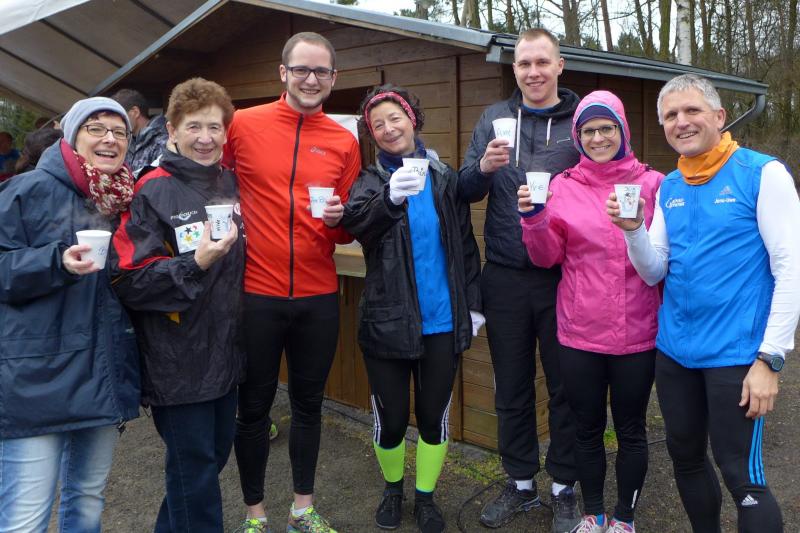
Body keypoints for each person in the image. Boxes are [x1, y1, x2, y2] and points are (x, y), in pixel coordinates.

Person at [607, 74, 800, 533]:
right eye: (671, 115)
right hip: (675, 354)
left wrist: (770, 359)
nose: (682, 121)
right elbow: (654, 270)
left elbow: (791, 268)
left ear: (719, 116)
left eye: (692, 110)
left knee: (742, 478)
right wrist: (633, 231)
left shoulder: (762, 174)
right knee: (687, 459)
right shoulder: (670, 186)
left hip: (737, 356)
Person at [225, 31, 361, 533]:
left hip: (317, 296)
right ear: (283, 73)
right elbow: (211, 183)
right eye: (301, 69)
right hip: (255, 294)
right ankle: (255, 514)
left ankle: (303, 508)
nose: (310, 79)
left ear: (333, 78)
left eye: (321, 71)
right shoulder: (243, 124)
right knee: (253, 408)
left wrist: (341, 220)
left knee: (309, 406)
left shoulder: (344, 141)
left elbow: (345, 228)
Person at [518, 91, 663, 533]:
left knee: (632, 429)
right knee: (586, 429)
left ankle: (624, 518)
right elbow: (546, 258)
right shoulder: (562, 186)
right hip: (580, 332)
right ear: (578, 137)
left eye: (606, 128)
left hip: (638, 332)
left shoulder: (654, 184)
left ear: (623, 130)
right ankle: (593, 512)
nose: (598, 138)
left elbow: (666, 261)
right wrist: (534, 219)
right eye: (588, 131)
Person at [342, 85, 483, 533]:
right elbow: (356, 225)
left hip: (442, 320)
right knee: (391, 419)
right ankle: (392, 490)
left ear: (413, 120)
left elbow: (465, 245)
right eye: (377, 125)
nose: (388, 129)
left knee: (433, 417)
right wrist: (390, 199)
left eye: (395, 118)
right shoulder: (370, 180)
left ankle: (425, 497)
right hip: (387, 321)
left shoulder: (442, 178)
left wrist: (473, 306)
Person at [458, 27, 580, 532]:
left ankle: (565, 485)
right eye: (525, 63)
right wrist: (484, 169)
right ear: (514, 69)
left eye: (542, 62)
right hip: (505, 275)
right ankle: (521, 482)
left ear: (559, 65)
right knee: (511, 385)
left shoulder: (580, 120)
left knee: (567, 385)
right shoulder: (494, 117)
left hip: (565, 277)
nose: (533, 72)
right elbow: (464, 188)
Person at [110, 78, 245, 533]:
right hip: (178, 361)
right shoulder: (151, 190)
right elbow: (128, 279)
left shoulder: (228, 182)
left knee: (208, 464)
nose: (205, 138)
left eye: (214, 127)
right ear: (171, 130)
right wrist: (195, 263)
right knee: (196, 476)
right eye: (194, 127)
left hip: (225, 354)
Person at [0, 97, 140, 532]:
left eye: (119, 131)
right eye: (96, 128)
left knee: (87, 502)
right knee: (26, 518)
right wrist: (55, 261)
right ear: (73, 136)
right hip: (36, 377)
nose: (110, 139)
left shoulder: (124, 198)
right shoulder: (25, 190)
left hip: (101, 370)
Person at [111, 88, 169, 173]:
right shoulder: (127, 142)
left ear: (135, 112)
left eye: (119, 116)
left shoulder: (163, 142)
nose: (115, 122)